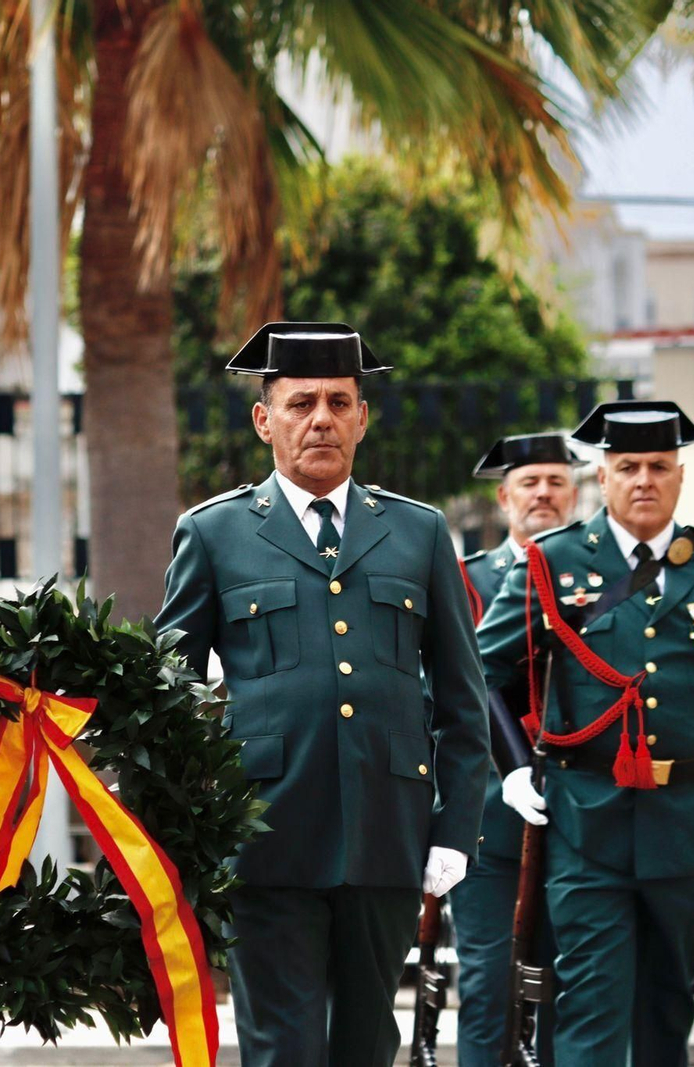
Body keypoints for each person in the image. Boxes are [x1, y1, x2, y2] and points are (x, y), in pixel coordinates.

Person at [154, 321, 490, 1066]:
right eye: (301, 401)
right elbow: (165, 697)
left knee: (368, 1045)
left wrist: (455, 826)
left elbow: (466, 703)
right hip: (266, 839)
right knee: (284, 1049)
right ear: (263, 418)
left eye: (340, 401)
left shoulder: (419, 532)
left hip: (386, 834)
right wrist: (186, 828)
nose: (322, 419)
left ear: (363, 418)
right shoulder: (214, 534)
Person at [476, 400, 694, 1065]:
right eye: (627, 467)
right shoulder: (551, 562)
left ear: (679, 475)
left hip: (687, 824)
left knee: (668, 1007)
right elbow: (481, 672)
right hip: (586, 822)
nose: (644, 479)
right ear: (603, 477)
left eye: (658, 466)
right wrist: (511, 766)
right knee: (590, 1006)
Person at [452, 433, 582, 1066]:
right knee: (488, 980)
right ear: (505, 499)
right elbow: (445, 689)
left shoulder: (591, 576)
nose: (544, 495)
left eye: (557, 482)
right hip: (486, 813)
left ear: (576, 494)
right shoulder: (465, 582)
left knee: (571, 982)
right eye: (530, 484)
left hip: (580, 805)